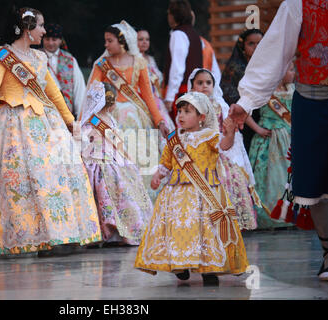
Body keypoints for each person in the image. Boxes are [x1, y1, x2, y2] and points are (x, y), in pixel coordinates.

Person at [0, 7, 102, 255]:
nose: (43, 31)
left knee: (54, 177)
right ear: (28, 29)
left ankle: (58, 235)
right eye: (40, 26)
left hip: (45, 122)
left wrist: (71, 122)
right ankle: (33, 238)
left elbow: (53, 93)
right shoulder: (1, 55)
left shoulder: (41, 58)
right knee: (22, 182)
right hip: (13, 122)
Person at [229, 0, 328, 280]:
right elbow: (275, 52)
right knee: (316, 181)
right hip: (313, 99)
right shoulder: (300, 3)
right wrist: (247, 101)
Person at [134, 91, 248, 285]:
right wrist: (158, 175)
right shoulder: (173, 139)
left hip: (205, 193)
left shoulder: (210, 136)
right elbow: (166, 163)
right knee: (177, 229)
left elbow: (225, 146)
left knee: (206, 231)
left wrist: (229, 134)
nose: (180, 115)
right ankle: (180, 264)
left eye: (187, 112)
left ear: (202, 117)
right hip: (177, 195)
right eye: (179, 111)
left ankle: (209, 269)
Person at [84, 20, 168, 203]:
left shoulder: (139, 63)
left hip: (136, 119)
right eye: (105, 41)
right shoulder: (102, 64)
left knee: (141, 159)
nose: (105, 45)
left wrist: (159, 120)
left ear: (121, 40)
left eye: (109, 41)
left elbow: (148, 95)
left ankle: (144, 200)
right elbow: (92, 93)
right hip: (110, 118)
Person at [78, 80, 153, 246]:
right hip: (95, 159)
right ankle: (105, 231)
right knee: (106, 186)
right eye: (110, 103)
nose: (112, 107)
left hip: (113, 158)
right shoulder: (92, 120)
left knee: (121, 189)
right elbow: (82, 138)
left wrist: (127, 157)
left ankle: (119, 231)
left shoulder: (110, 119)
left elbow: (117, 141)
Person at [188, 68, 259, 230]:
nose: (205, 86)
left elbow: (227, 130)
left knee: (229, 178)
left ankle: (230, 221)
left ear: (214, 85)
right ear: (192, 88)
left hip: (219, 150)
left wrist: (229, 132)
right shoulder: (189, 107)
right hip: (198, 151)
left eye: (208, 83)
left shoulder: (219, 105)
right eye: (200, 83)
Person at [247, 63, 295, 229]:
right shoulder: (265, 91)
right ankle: (268, 216)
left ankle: (292, 214)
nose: (293, 73)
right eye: (290, 70)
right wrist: (258, 128)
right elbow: (245, 110)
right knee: (268, 177)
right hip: (269, 140)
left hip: (290, 139)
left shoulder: (293, 89)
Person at [220, 29, 264, 152]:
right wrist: (256, 127)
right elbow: (232, 98)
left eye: (260, 43)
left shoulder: (268, 67)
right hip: (242, 120)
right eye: (251, 43)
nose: (256, 47)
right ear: (242, 46)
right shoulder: (235, 68)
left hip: (266, 118)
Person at [164, 0, 203, 119]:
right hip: (195, 90)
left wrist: (170, 97)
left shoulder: (178, 34)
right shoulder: (194, 34)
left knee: (180, 131)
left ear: (173, 16)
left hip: (182, 91)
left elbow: (177, 68)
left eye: (169, 14)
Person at [41, 23, 86, 119]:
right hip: (43, 111)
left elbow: (79, 88)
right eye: (47, 39)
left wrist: (80, 114)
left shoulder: (69, 59)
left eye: (54, 39)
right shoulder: (36, 56)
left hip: (66, 111)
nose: (50, 43)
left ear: (60, 40)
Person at [137, 29, 175, 131]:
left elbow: (159, 77)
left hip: (155, 97)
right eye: (141, 39)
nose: (145, 42)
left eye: (147, 39)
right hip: (141, 97)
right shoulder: (134, 59)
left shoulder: (150, 59)